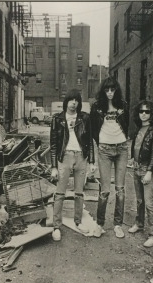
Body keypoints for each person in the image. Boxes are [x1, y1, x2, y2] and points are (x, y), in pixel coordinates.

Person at [50, 89, 96, 241]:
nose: (74, 103)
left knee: (79, 192)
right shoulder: (58, 119)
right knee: (60, 193)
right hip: (65, 157)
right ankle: (56, 226)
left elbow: (89, 141)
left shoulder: (85, 118)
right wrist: (54, 166)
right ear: (66, 102)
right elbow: (54, 144)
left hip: (81, 157)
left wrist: (91, 162)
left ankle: (78, 221)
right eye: (71, 100)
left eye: (76, 100)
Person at [90, 77, 130, 238]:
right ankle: (100, 224)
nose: (110, 93)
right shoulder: (97, 107)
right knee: (105, 190)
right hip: (104, 150)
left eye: (112, 90)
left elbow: (127, 125)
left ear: (116, 90)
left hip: (122, 148)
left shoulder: (123, 106)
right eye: (107, 90)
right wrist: (100, 143)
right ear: (103, 91)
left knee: (120, 189)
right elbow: (93, 128)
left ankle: (118, 225)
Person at [128, 100, 153, 247]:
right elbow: (136, 147)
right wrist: (131, 159)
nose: (143, 114)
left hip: (147, 169)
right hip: (136, 168)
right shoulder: (138, 129)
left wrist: (149, 171)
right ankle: (139, 223)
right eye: (141, 111)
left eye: (147, 112)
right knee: (140, 200)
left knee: (149, 203)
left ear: (151, 114)